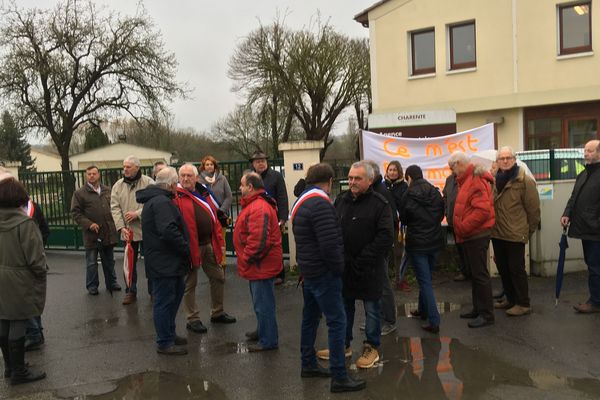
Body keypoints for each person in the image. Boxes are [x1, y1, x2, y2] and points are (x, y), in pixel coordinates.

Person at [292, 163, 366, 393]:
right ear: (330, 181)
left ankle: (308, 363)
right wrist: (338, 268)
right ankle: (339, 376)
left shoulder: (302, 201)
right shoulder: (320, 204)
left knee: (310, 318)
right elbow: (329, 244)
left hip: (309, 270)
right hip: (323, 273)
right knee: (337, 322)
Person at [320, 161, 393, 369]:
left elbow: (385, 237)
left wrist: (363, 258)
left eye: (357, 178)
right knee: (344, 307)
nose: (352, 182)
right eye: (350, 178)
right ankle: (343, 345)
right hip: (345, 267)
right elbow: (333, 228)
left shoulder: (380, 204)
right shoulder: (342, 200)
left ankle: (372, 348)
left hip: (369, 268)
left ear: (369, 180)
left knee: (372, 309)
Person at [176, 164, 235, 336]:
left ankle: (217, 312)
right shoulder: (176, 196)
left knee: (218, 276)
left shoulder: (203, 193)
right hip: (190, 246)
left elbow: (214, 215)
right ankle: (192, 319)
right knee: (190, 283)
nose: (185, 179)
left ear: (196, 178)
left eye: (189, 176)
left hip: (207, 243)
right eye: (182, 175)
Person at [136, 167, 190, 355]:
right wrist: (185, 248)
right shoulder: (161, 202)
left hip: (165, 261)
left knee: (172, 298)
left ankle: (169, 333)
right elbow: (168, 231)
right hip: (165, 262)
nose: (177, 187)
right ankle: (165, 341)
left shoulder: (158, 200)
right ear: (170, 184)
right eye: (176, 183)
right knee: (165, 301)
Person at [0, 177, 47, 384]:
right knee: (19, 321)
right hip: (19, 279)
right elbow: (35, 259)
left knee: (3, 320)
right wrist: (40, 273)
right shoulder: (24, 223)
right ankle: (19, 372)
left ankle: (10, 367)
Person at [233, 172, 282, 352]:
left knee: (264, 305)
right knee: (260, 303)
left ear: (250, 187)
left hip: (260, 265)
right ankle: (263, 331)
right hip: (259, 265)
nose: (239, 188)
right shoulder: (256, 204)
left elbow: (259, 241)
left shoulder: (258, 207)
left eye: (241, 185)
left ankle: (268, 340)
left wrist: (245, 259)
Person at [492, 146, 540, 317]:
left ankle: (523, 303)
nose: (505, 161)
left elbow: (533, 211)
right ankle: (511, 299)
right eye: (501, 158)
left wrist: (527, 231)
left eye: (508, 158)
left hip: (515, 233)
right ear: (497, 161)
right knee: (503, 268)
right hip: (497, 233)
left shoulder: (524, 180)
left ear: (514, 159)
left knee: (516, 269)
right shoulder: (494, 180)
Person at [449, 153, 496, 328]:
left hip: (476, 235)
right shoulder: (467, 179)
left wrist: (463, 227)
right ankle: (478, 309)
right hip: (471, 235)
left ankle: (486, 314)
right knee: (476, 276)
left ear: (459, 164)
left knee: (480, 275)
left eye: (452, 167)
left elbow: (482, 211)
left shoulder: (475, 181)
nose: (451, 171)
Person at [399, 165, 444, 333]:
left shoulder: (407, 195)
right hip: (435, 242)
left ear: (409, 177)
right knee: (426, 279)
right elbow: (440, 214)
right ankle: (422, 310)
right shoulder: (434, 192)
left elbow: (403, 218)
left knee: (425, 282)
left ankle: (434, 321)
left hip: (417, 244)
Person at [561, 139, 600, 313]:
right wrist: (566, 213)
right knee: (593, 265)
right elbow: (573, 197)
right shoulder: (583, 174)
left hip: (595, 230)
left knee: (595, 267)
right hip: (586, 229)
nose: (586, 154)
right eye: (585, 150)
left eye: (590, 151)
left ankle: (596, 302)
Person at [71, 165, 121, 296]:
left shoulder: (107, 190)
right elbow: (75, 213)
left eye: (94, 173)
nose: (91, 176)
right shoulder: (80, 193)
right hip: (91, 234)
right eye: (89, 174)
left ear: (99, 175)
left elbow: (115, 208)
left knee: (109, 260)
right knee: (92, 262)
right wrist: (89, 224)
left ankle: (112, 282)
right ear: (86, 176)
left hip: (108, 232)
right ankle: (92, 286)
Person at [111, 155, 154, 305]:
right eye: (124, 167)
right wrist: (120, 227)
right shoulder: (118, 185)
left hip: (147, 230)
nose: (125, 170)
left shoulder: (149, 182)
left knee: (151, 262)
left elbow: (154, 202)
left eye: (128, 167)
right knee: (129, 265)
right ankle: (130, 291)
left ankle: (153, 291)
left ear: (137, 167)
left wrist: (138, 214)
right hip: (128, 232)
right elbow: (114, 208)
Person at [365, 160, 398, 336]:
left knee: (384, 285)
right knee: (375, 283)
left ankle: (390, 320)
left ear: (371, 176)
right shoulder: (374, 190)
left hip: (381, 248)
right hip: (373, 247)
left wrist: (385, 244)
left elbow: (391, 221)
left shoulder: (381, 192)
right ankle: (376, 318)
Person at [249, 150, 288, 285]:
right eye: (258, 161)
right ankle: (264, 272)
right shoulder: (250, 178)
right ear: (253, 164)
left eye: (263, 161)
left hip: (274, 218)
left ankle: (279, 274)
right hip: (256, 218)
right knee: (260, 245)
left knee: (275, 247)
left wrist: (283, 218)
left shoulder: (276, 176)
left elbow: (283, 197)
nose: (261, 163)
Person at [199, 155, 233, 267]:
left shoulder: (222, 179)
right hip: (206, 217)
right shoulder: (199, 181)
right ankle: (212, 265)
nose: (209, 166)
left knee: (221, 241)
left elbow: (229, 196)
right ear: (203, 166)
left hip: (220, 216)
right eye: (207, 164)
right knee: (209, 243)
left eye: (211, 164)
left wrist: (221, 210)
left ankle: (222, 264)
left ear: (215, 166)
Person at [384, 161, 410, 291]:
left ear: (399, 172)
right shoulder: (382, 186)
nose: (392, 172)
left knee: (399, 253)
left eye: (395, 170)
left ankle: (400, 280)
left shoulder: (404, 186)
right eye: (390, 170)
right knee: (384, 253)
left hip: (398, 225)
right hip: (384, 224)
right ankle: (384, 281)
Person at [443, 169, 470, 282]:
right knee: (459, 248)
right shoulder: (449, 179)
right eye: (452, 166)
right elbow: (445, 196)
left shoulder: (469, 179)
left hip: (466, 221)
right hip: (452, 220)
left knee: (468, 248)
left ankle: (472, 273)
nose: (453, 168)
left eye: (455, 165)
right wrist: (446, 210)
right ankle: (464, 271)